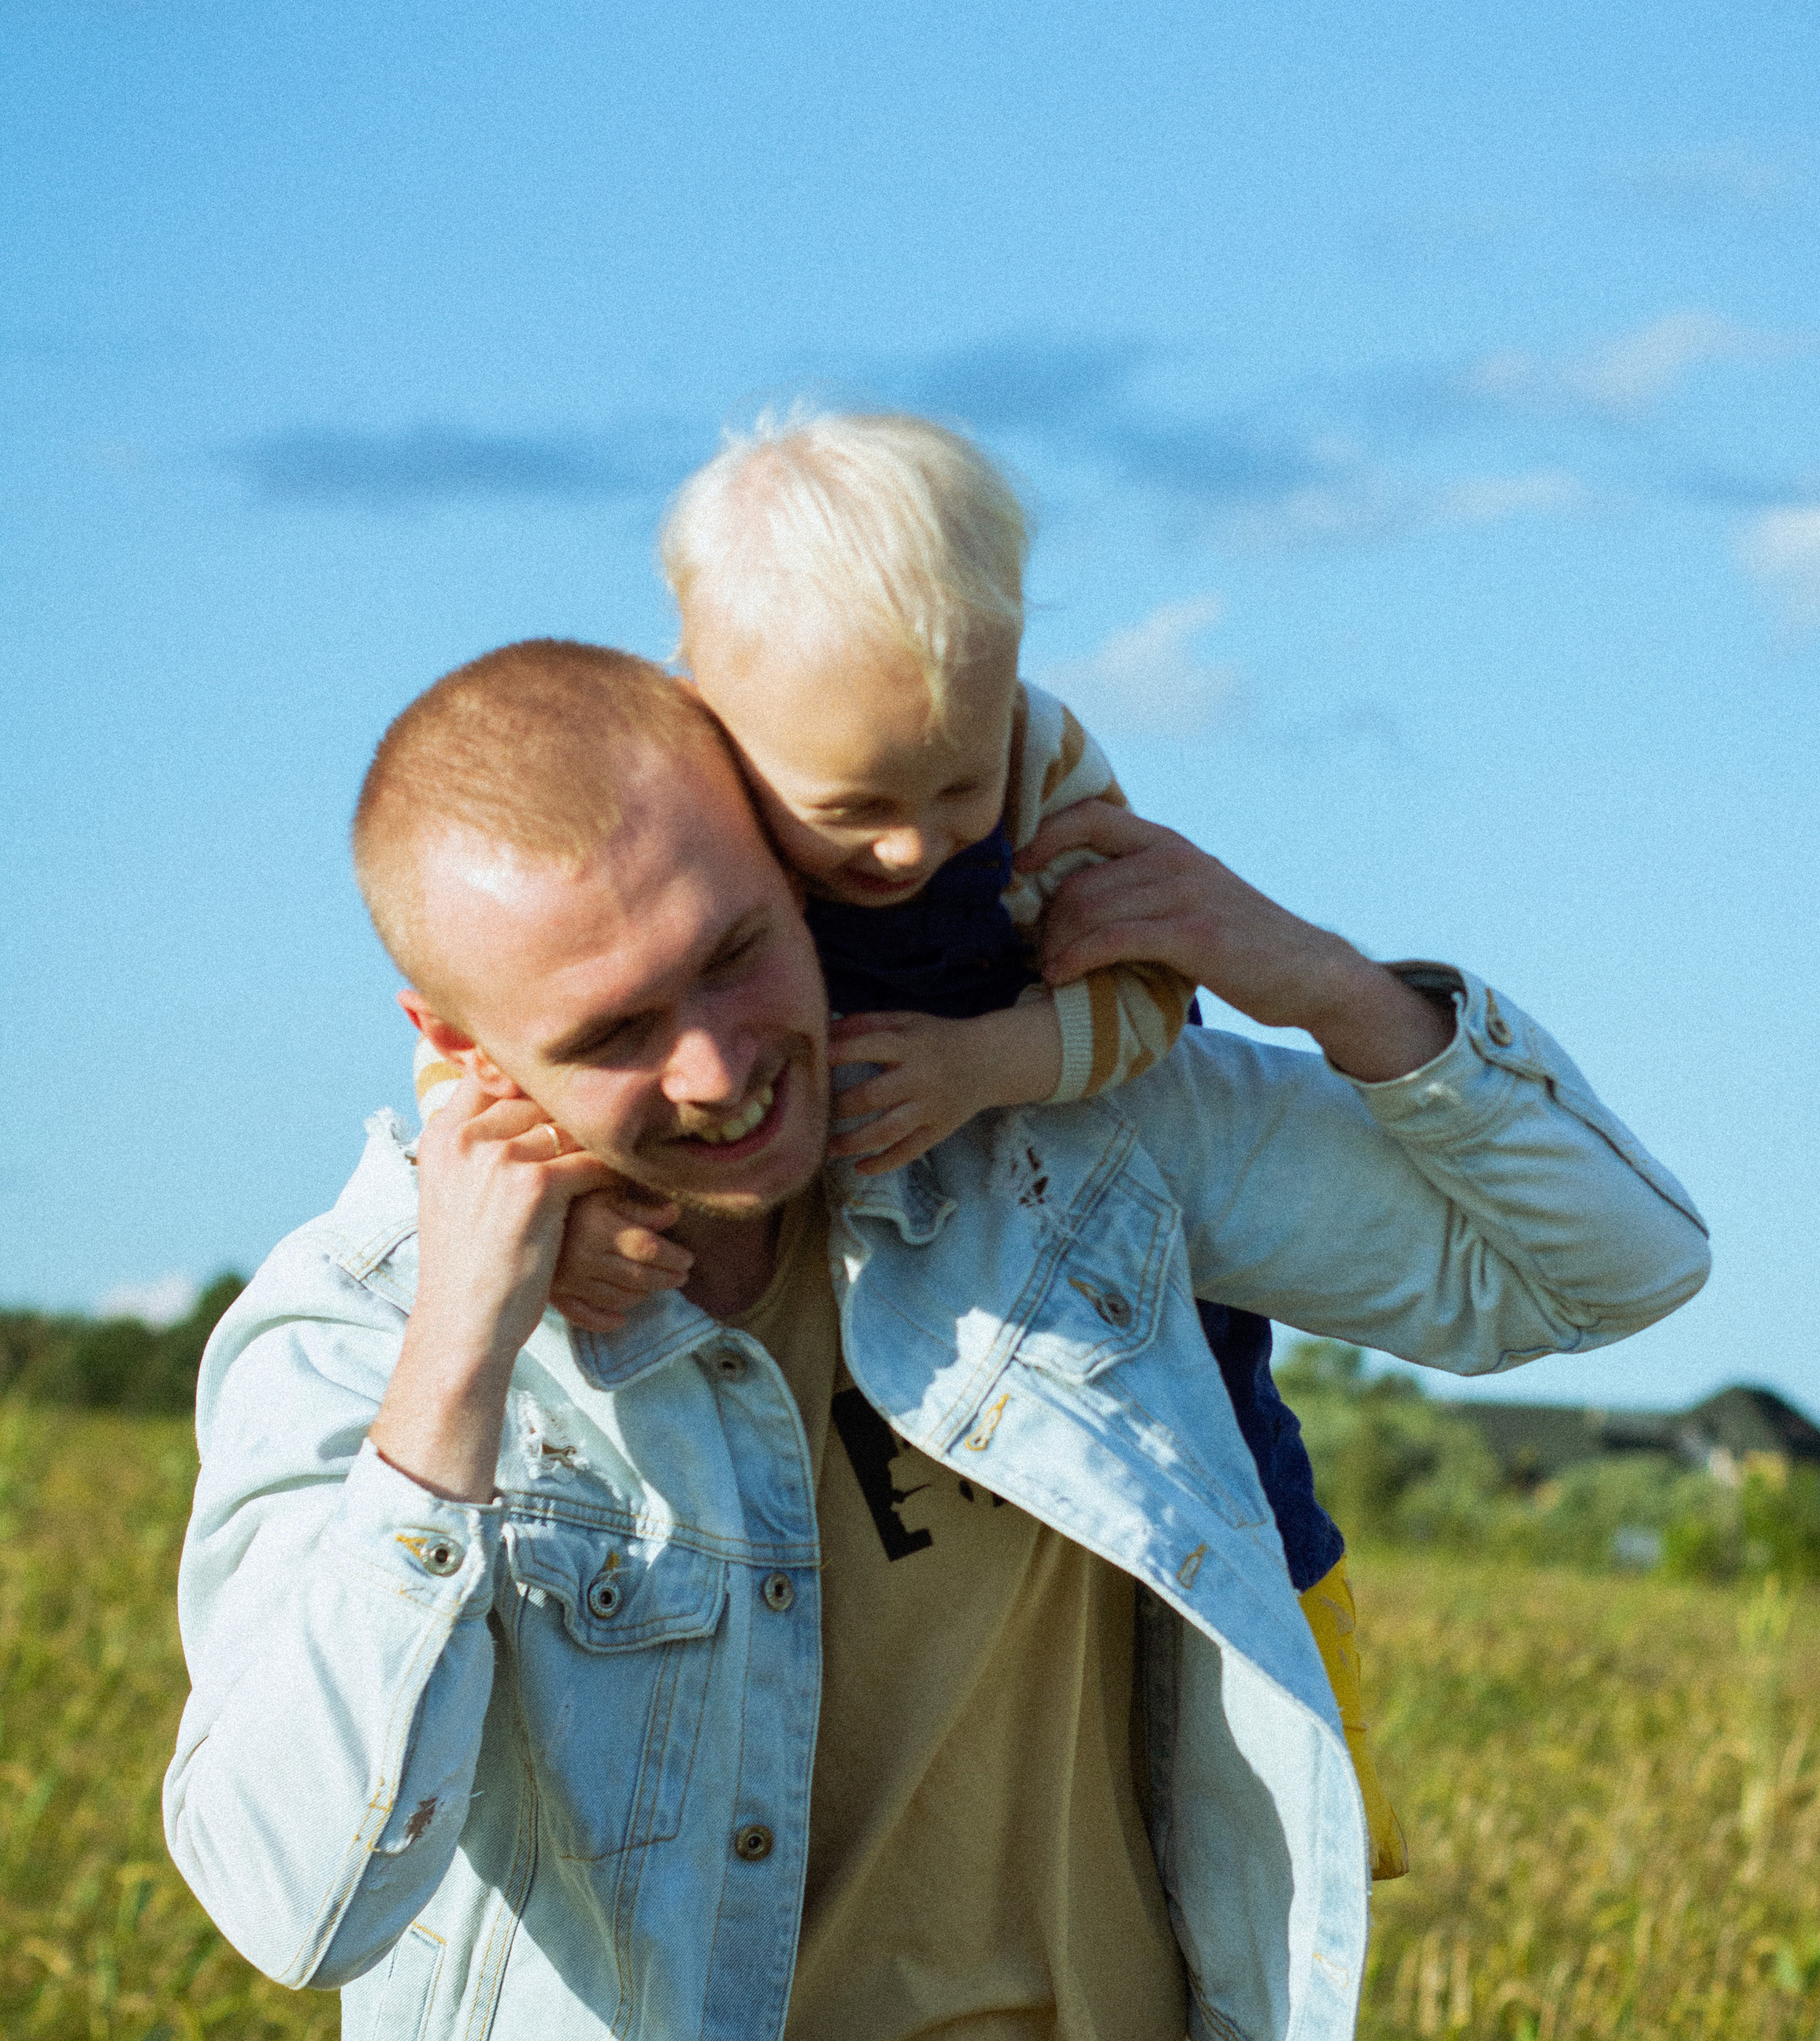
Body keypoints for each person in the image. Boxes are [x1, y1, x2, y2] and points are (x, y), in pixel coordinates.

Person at [165, 639, 1709, 2041]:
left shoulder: (1048, 1141)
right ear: (454, 1049)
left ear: (793, 864)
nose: (718, 1068)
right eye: (609, 1035)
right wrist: (457, 1367)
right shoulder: (360, 1334)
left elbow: (1602, 1265)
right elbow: (302, 1905)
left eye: (736, 952)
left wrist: (1303, 973)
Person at [419, 409, 1407, 1875]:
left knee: (1232, 1462)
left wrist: (986, 1061)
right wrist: (566, 1206)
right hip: (795, 1262)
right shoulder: (647, 791)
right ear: (711, 714)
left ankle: (1305, 1810)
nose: (919, 845)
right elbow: (497, 1025)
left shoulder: (1046, 760)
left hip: (1047, 1199)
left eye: (958, 786)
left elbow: (1149, 996)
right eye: (854, 810)